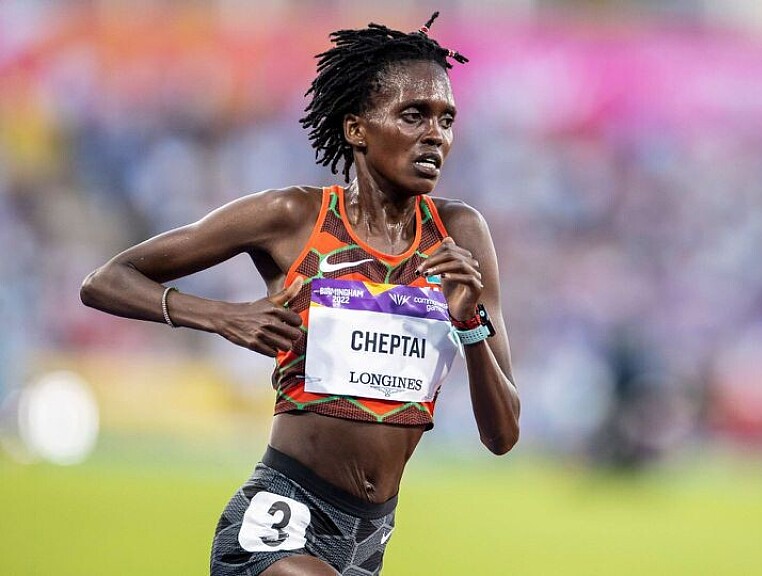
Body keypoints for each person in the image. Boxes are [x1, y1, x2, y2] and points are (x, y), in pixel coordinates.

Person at [80, 13, 519, 576]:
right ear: (357, 129)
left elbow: (503, 435)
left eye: (446, 119)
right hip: (282, 514)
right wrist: (221, 316)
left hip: (369, 538)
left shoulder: (460, 235)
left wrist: (469, 324)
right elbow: (106, 280)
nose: (435, 134)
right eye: (414, 115)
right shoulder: (292, 217)